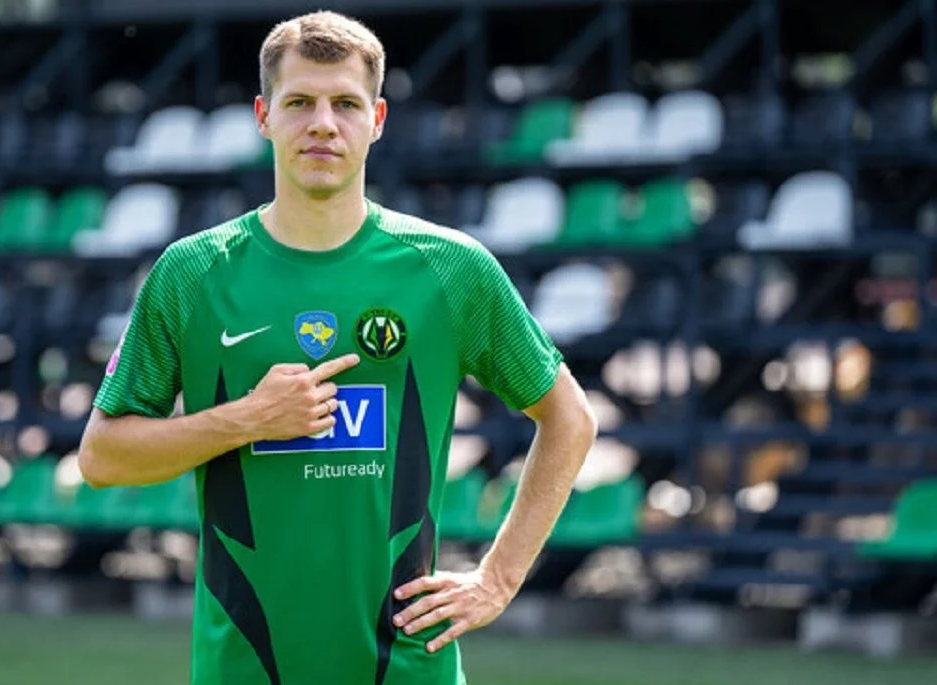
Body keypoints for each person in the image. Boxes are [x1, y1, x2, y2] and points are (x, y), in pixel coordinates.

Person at [78, 10, 597, 685]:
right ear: (264, 116)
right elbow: (102, 455)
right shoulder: (191, 274)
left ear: (377, 119)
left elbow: (569, 418)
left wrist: (497, 579)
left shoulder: (451, 269)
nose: (323, 123)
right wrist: (248, 418)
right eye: (299, 102)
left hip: (405, 668)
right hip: (243, 670)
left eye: (345, 104)